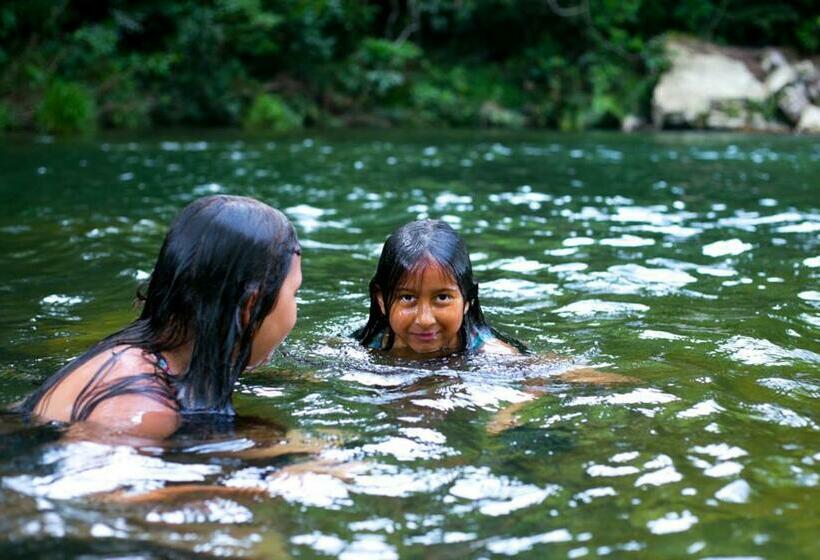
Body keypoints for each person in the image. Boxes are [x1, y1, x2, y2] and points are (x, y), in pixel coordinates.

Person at [14, 195, 302, 439]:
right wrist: (272, 476)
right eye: (295, 293)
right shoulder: (141, 404)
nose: (295, 308)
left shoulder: (149, 363)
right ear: (250, 305)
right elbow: (108, 499)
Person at [354, 219, 525, 357]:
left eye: (442, 297)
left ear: (467, 300)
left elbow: (535, 384)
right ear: (381, 300)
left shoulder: (494, 356)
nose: (425, 320)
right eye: (407, 297)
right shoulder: (364, 347)